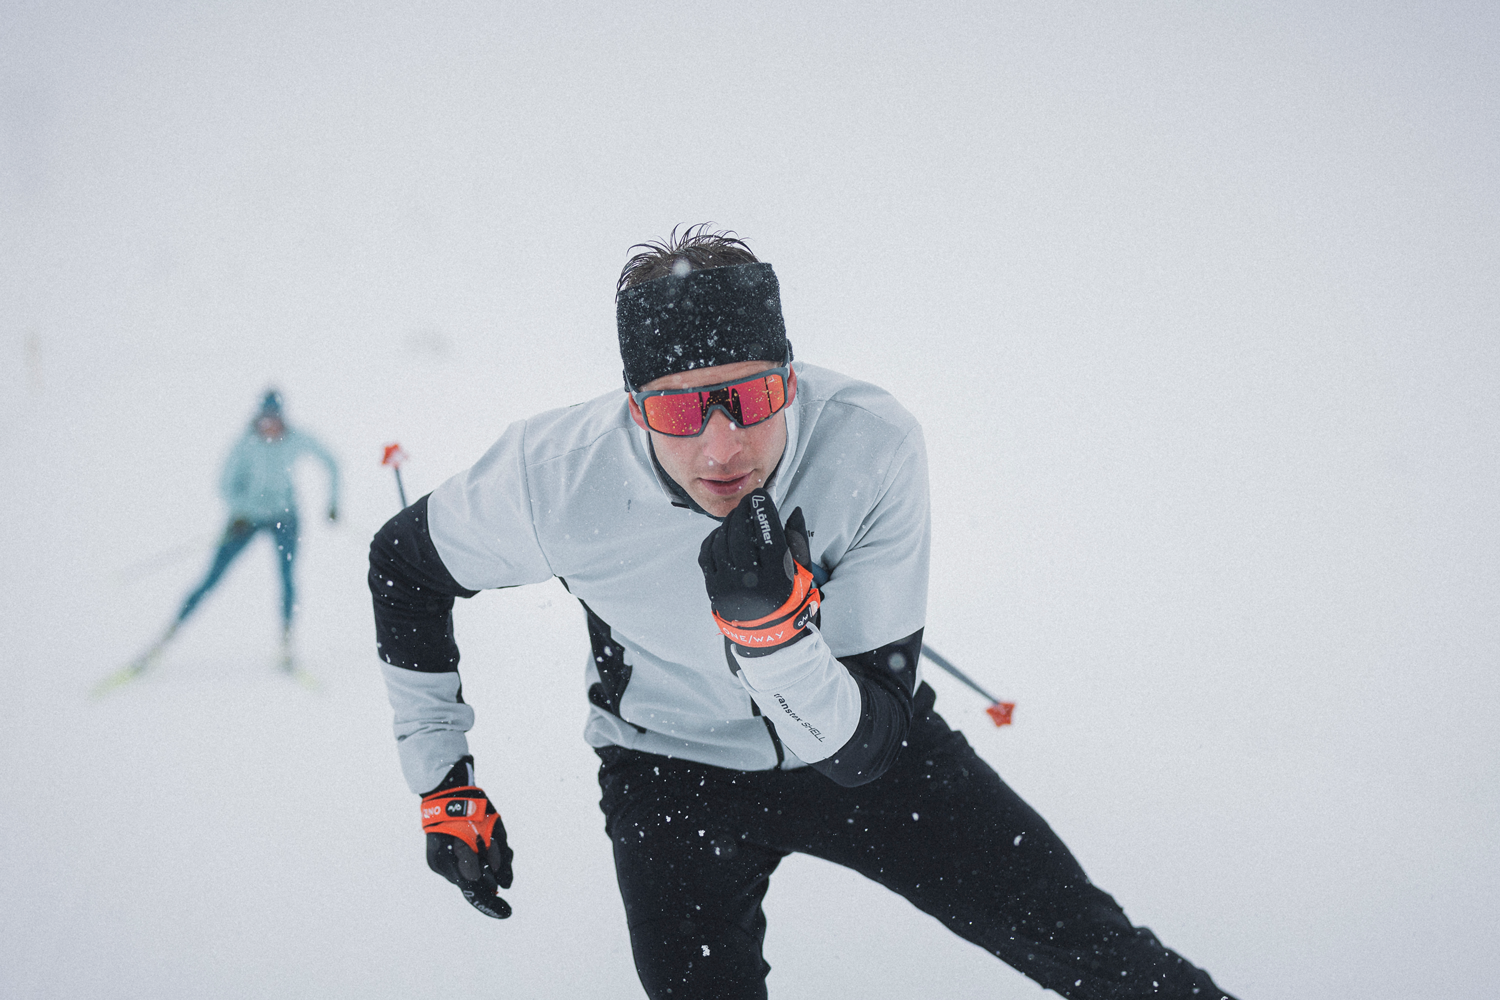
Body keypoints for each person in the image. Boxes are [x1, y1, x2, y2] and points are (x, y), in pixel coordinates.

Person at [369, 227, 1241, 999]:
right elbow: (404, 569)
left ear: (789, 379)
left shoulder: (868, 443)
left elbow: (865, 750)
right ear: (635, 410)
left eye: (749, 400)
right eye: (678, 409)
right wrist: (443, 785)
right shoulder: (553, 476)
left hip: (867, 741)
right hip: (673, 773)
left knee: (1098, 954)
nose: (722, 447)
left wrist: (770, 637)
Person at [135, 389, 339, 674]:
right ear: (258, 418)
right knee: (211, 578)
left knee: (288, 579)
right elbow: (224, 483)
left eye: (275, 419)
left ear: (282, 419)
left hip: (285, 518)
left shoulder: (297, 439)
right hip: (247, 520)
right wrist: (241, 510)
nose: (270, 426)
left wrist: (332, 503)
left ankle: (287, 645)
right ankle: (163, 640)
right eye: (265, 420)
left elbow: (331, 462)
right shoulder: (245, 444)